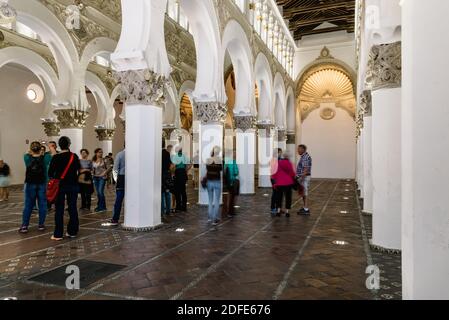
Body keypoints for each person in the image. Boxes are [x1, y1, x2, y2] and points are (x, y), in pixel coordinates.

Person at [48, 136, 80, 240]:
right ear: (69, 145)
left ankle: (58, 234)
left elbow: (50, 173)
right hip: (73, 185)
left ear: (59, 145)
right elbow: (78, 169)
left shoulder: (56, 157)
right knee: (72, 208)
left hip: (60, 186)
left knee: (59, 209)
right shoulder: (74, 156)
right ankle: (72, 232)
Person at [19, 141, 51, 233]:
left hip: (30, 183)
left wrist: (32, 151)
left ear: (31, 149)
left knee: (28, 205)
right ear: (40, 149)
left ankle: (25, 226)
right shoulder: (45, 157)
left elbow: (26, 152)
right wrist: (46, 145)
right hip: (42, 183)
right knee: (42, 205)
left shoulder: (27, 157)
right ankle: (41, 225)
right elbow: (53, 153)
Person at [272, 151, 296, 218]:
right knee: (288, 197)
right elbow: (292, 173)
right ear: (288, 157)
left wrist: (275, 181)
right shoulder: (290, 163)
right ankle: (287, 212)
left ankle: (278, 211)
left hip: (279, 183)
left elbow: (275, 173)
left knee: (279, 197)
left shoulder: (278, 163)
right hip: (288, 183)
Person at [205, 146, 223, 226]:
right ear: (218, 152)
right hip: (217, 181)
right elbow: (221, 169)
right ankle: (214, 219)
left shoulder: (208, 160)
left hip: (209, 182)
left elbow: (207, 169)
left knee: (210, 200)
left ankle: (209, 218)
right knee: (216, 201)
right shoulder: (219, 160)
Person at [171, 146, 191, 212]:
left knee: (177, 191)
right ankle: (184, 207)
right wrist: (186, 170)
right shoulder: (185, 156)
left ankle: (178, 207)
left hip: (178, 174)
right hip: (183, 174)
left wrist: (173, 173)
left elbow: (173, 166)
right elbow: (190, 164)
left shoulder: (175, 156)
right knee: (183, 191)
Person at [109, 147, 125, 226]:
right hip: (134, 179)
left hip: (121, 178)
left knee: (119, 200)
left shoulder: (120, 154)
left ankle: (115, 219)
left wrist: (116, 180)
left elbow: (115, 169)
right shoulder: (136, 154)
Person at [92, 148, 110, 213]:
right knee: (98, 193)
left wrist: (104, 173)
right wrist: (92, 174)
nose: (101, 153)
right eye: (99, 152)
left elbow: (109, 168)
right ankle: (100, 206)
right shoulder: (93, 160)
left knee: (100, 192)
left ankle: (103, 207)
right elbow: (92, 169)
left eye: (102, 152)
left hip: (102, 177)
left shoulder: (105, 160)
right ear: (96, 153)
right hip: (95, 177)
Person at [296, 144, 312, 215]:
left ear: (303, 149)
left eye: (299, 149)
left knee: (305, 192)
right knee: (303, 192)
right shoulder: (304, 156)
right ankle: (304, 207)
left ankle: (306, 208)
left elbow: (305, 169)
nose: (298, 150)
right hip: (303, 177)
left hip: (304, 178)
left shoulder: (305, 157)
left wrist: (301, 178)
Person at [224, 149, 239, 217]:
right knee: (232, 197)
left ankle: (228, 211)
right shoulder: (233, 162)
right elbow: (236, 172)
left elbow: (225, 171)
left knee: (229, 196)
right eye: (234, 153)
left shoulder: (226, 162)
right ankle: (230, 211)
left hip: (227, 181)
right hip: (232, 181)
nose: (235, 154)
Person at [270, 148, 283, 216]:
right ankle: (273, 208)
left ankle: (278, 208)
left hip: (279, 179)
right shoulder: (274, 160)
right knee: (275, 194)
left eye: (281, 153)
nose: (280, 154)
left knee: (279, 194)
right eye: (279, 153)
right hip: (274, 179)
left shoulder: (280, 160)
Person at [161, 144, 173, 216]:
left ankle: (162, 211)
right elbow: (170, 165)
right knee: (168, 193)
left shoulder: (157, 153)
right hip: (167, 175)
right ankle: (168, 211)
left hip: (160, 175)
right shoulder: (167, 153)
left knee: (162, 193)